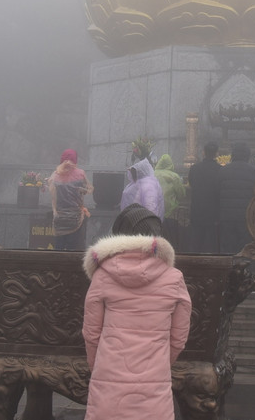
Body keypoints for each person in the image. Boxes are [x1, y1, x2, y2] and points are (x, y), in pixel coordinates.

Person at [81, 205, 192, 420]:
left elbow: (91, 334)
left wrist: (100, 366)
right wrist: (160, 363)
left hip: (109, 376)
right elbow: (179, 339)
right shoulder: (174, 278)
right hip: (154, 380)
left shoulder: (102, 276)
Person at [217, 143, 255, 253]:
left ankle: (228, 268)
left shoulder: (223, 170)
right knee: (245, 246)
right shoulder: (254, 171)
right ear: (248, 156)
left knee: (227, 246)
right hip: (246, 216)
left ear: (233, 155)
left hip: (226, 216)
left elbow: (217, 192)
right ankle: (243, 269)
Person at [49, 149, 92, 251]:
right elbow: (87, 189)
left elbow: (53, 196)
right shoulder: (81, 174)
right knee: (72, 249)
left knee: (58, 248)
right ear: (75, 160)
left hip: (59, 218)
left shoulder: (54, 176)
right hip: (75, 219)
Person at [187, 142, 223, 253]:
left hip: (197, 210)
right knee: (212, 244)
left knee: (196, 243)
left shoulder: (194, 168)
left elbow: (191, 184)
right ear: (217, 154)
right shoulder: (220, 170)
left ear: (203, 153)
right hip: (214, 212)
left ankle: (193, 265)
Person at [153, 153, 187, 247]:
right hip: (171, 211)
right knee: (170, 235)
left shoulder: (153, 174)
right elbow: (181, 194)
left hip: (154, 209)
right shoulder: (174, 176)